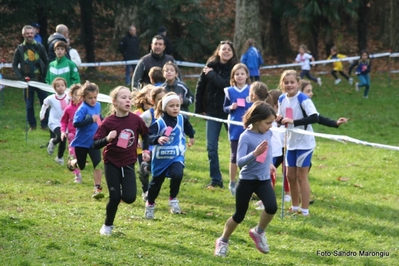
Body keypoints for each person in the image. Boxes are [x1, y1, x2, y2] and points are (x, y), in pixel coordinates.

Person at [214, 101, 277, 257]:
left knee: (271, 207)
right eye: (267, 123)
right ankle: (222, 240)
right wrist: (254, 153)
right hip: (247, 181)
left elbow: (267, 152)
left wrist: (269, 164)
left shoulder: (268, 133)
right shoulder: (246, 137)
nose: (270, 126)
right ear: (256, 121)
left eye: (271, 123)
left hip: (263, 180)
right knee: (239, 215)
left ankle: (258, 232)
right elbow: (240, 162)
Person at [93, 86, 150, 236]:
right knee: (115, 197)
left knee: (130, 198)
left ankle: (122, 191)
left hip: (128, 162)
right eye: (123, 97)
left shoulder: (136, 120)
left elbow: (147, 135)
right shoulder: (108, 122)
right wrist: (107, 139)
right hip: (111, 162)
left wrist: (146, 150)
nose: (128, 100)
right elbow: (95, 143)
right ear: (114, 102)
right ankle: (107, 225)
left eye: (129, 98)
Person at [194, 40, 239, 189]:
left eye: (229, 50)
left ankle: (243, 180)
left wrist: (212, 75)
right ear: (218, 51)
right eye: (223, 49)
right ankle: (216, 180)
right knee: (211, 147)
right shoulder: (209, 66)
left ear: (232, 53)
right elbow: (200, 87)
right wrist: (199, 108)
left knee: (238, 147)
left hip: (231, 112)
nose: (226, 51)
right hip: (212, 112)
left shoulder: (235, 69)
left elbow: (227, 87)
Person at [145, 92, 195, 219]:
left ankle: (173, 198)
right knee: (156, 184)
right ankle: (150, 204)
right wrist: (158, 139)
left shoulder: (182, 119)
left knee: (177, 174)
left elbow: (188, 128)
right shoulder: (159, 123)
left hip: (176, 155)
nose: (175, 108)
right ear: (164, 108)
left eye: (178, 105)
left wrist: (192, 137)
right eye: (172, 106)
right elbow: (148, 136)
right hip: (160, 159)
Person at [276, 70, 319, 217]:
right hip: (290, 142)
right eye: (286, 82)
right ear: (282, 84)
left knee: (301, 176)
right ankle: (294, 208)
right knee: (290, 176)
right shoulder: (281, 99)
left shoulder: (303, 99)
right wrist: (278, 119)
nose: (289, 85)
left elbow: (314, 117)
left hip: (305, 143)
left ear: (298, 84)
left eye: (292, 82)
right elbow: (282, 118)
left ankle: (304, 210)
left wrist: (294, 122)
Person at [68, 81, 104, 199]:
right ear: (84, 97)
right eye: (90, 98)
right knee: (81, 165)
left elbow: (99, 118)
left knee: (98, 164)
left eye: (95, 97)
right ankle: (72, 162)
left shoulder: (98, 105)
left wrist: (104, 124)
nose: (93, 100)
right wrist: (90, 120)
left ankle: (97, 188)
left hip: (94, 142)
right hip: (81, 143)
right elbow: (76, 123)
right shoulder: (82, 109)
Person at [222, 63, 252, 196]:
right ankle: (232, 182)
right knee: (234, 154)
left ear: (247, 75)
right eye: (237, 74)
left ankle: (248, 181)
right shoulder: (229, 91)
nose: (240, 76)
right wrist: (230, 108)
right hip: (234, 126)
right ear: (233, 76)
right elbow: (224, 107)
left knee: (250, 154)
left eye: (242, 74)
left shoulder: (251, 89)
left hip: (249, 126)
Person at [12, 25, 49, 131]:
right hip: (27, 81)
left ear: (34, 34)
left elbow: (46, 62)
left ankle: (44, 124)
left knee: (45, 102)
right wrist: (20, 77)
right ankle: (32, 125)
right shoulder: (19, 49)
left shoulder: (40, 47)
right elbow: (14, 65)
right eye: (27, 33)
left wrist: (44, 76)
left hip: (39, 80)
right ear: (23, 35)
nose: (29, 35)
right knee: (29, 105)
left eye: (31, 33)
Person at [139, 87, 167, 201]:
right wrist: (137, 141)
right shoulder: (147, 115)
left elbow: (169, 129)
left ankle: (150, 191)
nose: (161, 102)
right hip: (149, 147)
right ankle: (145, 190)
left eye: (164, 99)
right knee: (147, 169)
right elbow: (138, 129)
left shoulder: (169, 114)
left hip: (163, 148)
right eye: (159, 99)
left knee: (158, 173)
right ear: (153, 101)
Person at [39, 77, 70, 165]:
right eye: (58, 86)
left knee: (63, 141)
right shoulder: (51, 98)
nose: (60, 87)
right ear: (54, 88)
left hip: (65, 123)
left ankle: (59, 157)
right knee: (61, 136)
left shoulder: (69, 97)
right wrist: (42, 114)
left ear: (65, 87)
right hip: (54, 122)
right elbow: (45, 104)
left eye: (62, 85)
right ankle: (53, 142)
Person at [132, 84, 154, 200]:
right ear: (144, 98)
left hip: (154, 146)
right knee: (143, 169)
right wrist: (136, 141)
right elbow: (133, 130)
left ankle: (152, 187)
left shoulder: (156, 113)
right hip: (140, 148)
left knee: (152, 168)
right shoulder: (137, 113)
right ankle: (146, 190)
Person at [60, 83, 83, 183]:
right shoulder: (68, 108)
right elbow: (63, 121)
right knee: (72, 154)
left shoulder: (85, 107)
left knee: (81, 156)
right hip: (72, 136)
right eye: (75, 94)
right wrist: (62, 131)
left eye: (80, 95)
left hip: (84, 136)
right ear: (71, 94)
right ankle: (77, 174)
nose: (77, 97)